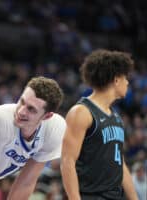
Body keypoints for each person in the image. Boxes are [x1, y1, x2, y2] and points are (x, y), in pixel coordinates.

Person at [60, 49, 138, 200]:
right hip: (90, 195)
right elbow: (67, 161)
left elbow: (120, 162)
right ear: (116, 80)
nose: (127, 82)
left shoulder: (116, 117)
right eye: (125, 77)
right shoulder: (82, 112)